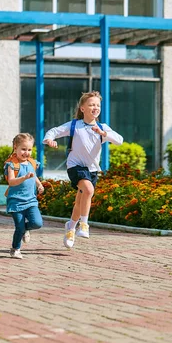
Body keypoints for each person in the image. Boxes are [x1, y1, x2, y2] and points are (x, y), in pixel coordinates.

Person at [43, 91, 123, 249]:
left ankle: (71, 227)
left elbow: (119, 140)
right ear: (82, 108)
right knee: (88, 189)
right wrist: (49, 139)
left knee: (80, 201)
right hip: (75, 166)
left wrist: (103, 133)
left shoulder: (102, 127)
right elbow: (54, 131)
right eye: (92, 104)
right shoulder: (74, 125)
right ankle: (84, 225)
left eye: (98, 105)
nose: (95, 107)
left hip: (92, 169)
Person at [4, 133, 44, 259]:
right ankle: (15, 248)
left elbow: (34, 176)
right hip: (16, 201)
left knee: (37, 223)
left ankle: (26, 230)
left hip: (31, 200)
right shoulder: (12, 165)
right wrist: (24, 177)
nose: (26, 152)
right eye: (23, 149)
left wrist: (39, 184)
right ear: (15, 148)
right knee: (19, 227)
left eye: (29, 150)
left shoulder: (32, 163)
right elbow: (11, 181)